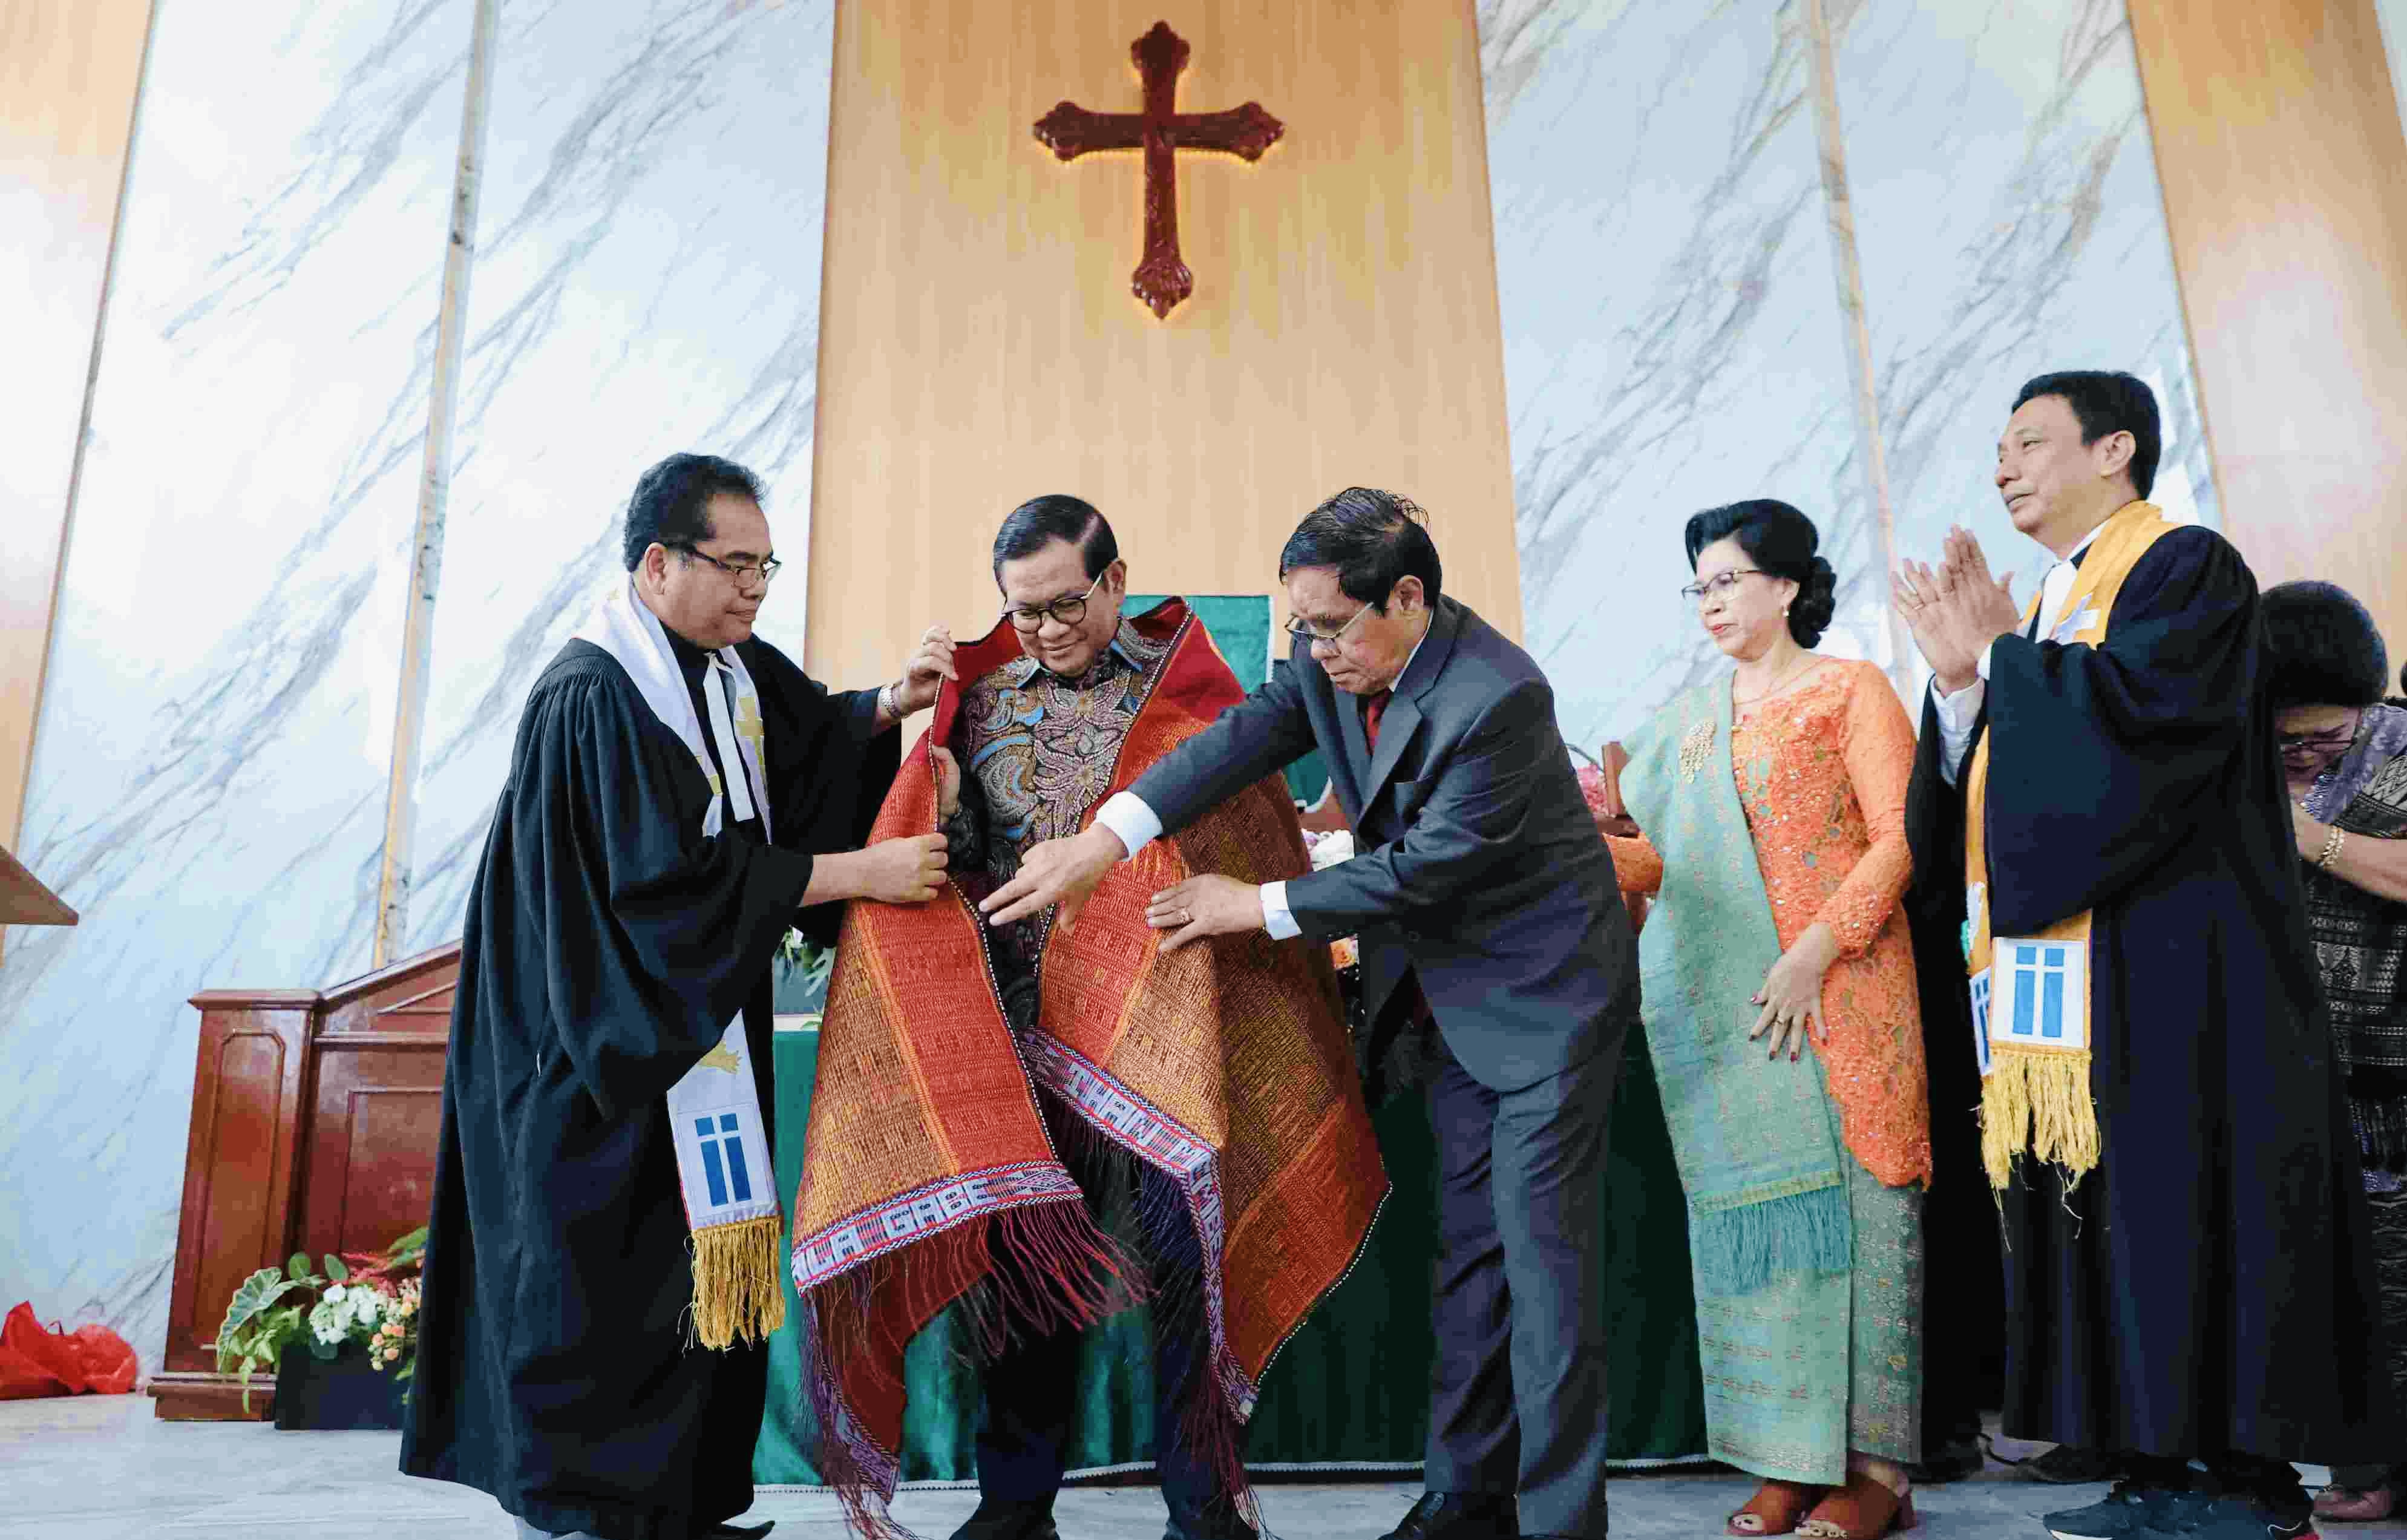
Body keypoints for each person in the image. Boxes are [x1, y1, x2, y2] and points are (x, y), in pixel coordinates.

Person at [980, 487, 1640, 1540]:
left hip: (1541, 1003)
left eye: (1331, 625)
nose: (1314, 648)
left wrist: (1256, 905)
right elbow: (1238, 738)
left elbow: (1428, 868)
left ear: (1409, 597)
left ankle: (1563, 1522)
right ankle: (1467, 1501)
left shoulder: (1498, 696)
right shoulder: (1329, 663)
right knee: (1471, 1255)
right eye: (1301, 624)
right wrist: (1103, 841)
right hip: (1446, 1005)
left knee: (1545, 1275)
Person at [788, 496, 1383, 1540]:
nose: (1048, 629)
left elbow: (1242, 838)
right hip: (1020, 1038)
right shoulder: (977, 702)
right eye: (1024, 613)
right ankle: (1013, 1507)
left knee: (1191, 1270)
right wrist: (927, 770)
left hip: (1168, 1035)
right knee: (1025, 1285)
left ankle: (1204, 1509)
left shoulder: (1194, 697)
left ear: (1115, 581)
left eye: (1067, 603)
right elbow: (945, 853)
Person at [401, 454, 954, 1540]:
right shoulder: (594, 695)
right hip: (592, 1061)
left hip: (682, 1041)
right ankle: (588, 1523)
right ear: (656, 564)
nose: (755, 588)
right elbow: (658, 891)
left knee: (687, 1298)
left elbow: (805, 751)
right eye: (734, 565)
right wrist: (853, 875)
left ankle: (675, 1511)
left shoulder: (723, 671)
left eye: (765, 565)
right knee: (600, 1301)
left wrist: (893, 702)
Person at [1892, 371, 2392, 1540]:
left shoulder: (2184, 566)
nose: (2003, 465)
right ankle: (2159, 1464)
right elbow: (1987, 790)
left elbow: (2149, 729)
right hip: (2089, 980)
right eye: (1997, 446)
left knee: (2192, 1208)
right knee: (2113, 1214)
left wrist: (2005, 661)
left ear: (2115, 447)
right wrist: (1966, 683)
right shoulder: (2061, 598)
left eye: (2029, 441)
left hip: (2188, 971)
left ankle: (2242, 1485)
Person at [1602, 500, 1928, 1539]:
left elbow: (1899, 840)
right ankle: (1786, 1460)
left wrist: (1810, 953)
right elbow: (1670, 866)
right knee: (1768, 1240)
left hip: (1846, 993)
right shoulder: (1686, 731)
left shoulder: (1849, 691)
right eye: (1697, 585)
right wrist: (1561, 844)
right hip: (1742, 1012)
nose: (1709, 601)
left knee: (1867, 1226)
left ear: (1787, 586)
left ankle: (1876, 1473)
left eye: (1728, 579)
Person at [2258, 581, 2407, 1524]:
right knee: (2340, 1288)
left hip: (2398, 1066)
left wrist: (2310, 837)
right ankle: (2364, 1465)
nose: (2306, 753)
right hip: (2307, 1075)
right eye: (2288, 739)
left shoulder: (2400, 752)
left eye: (2324, 736)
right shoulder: (2238, 762)